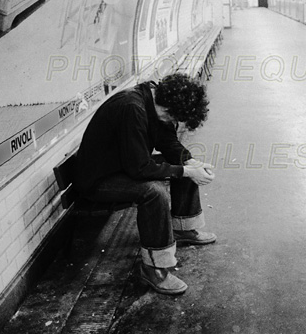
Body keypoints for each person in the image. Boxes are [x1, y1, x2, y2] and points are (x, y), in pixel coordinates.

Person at [74, 73, 216, 295]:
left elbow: (168, 143)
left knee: (183, 166)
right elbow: (139, 168)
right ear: (168, 110)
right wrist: (186, 170)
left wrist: (190, 163)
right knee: (154, 193)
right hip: (99, 180)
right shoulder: (132, 108)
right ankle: (153, 268)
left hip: (121, 167)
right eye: (172, 119)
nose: (171, 124)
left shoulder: (152, 101)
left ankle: (183, 228)